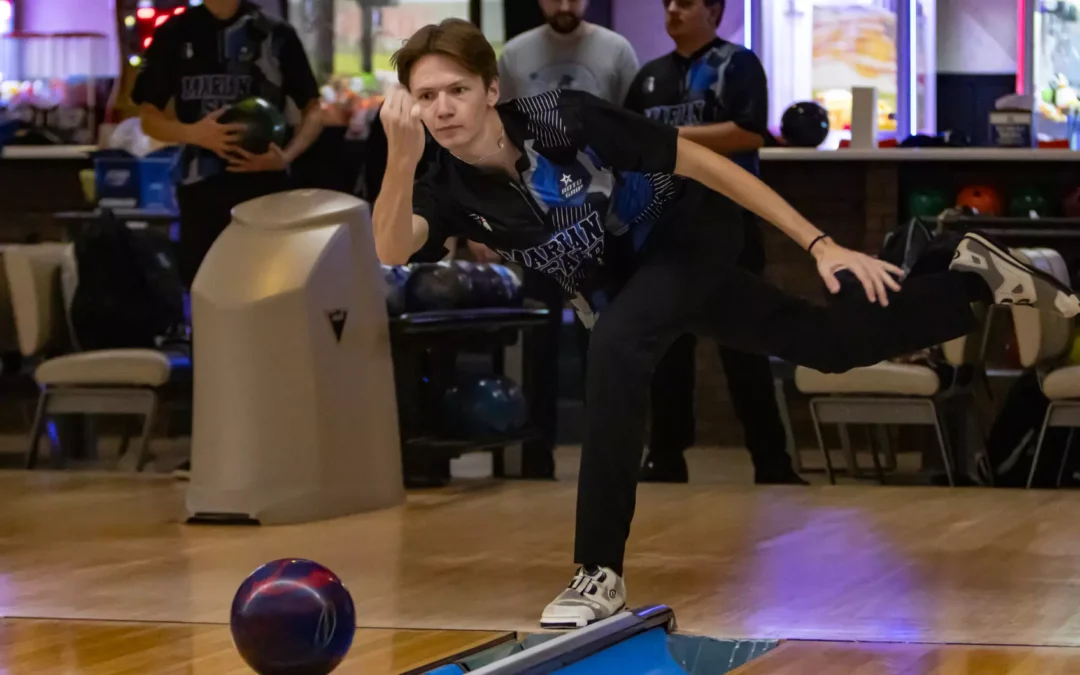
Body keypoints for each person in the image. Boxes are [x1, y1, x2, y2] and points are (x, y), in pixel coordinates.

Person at [373, 18, 1080, 629]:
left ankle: (598, 571)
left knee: (616, 348)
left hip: (688, 231)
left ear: (491, 89)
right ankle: (962, 274)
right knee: (829, 345)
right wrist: (400, 162)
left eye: (457, 89)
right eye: (426, 97)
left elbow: (705, 164)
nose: (443, 108)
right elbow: (392, 247)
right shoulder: (443, 183)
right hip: (633, 285)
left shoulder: (563, 117)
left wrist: (818, 243)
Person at [133, 0, 324, 477]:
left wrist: (286, 156)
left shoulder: (275, 33)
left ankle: (278, 443)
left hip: (266, 195)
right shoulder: (176, 32)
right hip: (200, 195)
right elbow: (149, 117)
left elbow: (314, 109)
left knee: (271, 313)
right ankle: (214, 448)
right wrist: (194, 134)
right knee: (210, 318)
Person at [625, 0, 802, 485]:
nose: (673, 10)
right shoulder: (649, 76)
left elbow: (748, 133)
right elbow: (628, 142)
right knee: (666, 348)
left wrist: (669, 137)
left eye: (685, 3)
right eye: (668, 3)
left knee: (745, 342)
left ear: (715, 11)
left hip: (727, 225)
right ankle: (665, 455)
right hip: (663, 227)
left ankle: (771, 460)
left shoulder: (738, 65)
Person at [492, 0, 639, 478]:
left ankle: (608, 459)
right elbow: (499, 138)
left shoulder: (616, 51)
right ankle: (535, 456)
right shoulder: (515, 55)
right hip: (536, 218)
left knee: (601, 340)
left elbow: (634, 136)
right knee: (538, 340)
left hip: (599, 219)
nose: (563, 4)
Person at [497, 0, 639, 104]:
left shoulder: (618, 51)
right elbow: (499, 121)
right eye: (555, 0)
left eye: (573, 0)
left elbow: (635, 123)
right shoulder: (513, 54)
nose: (564, 7)